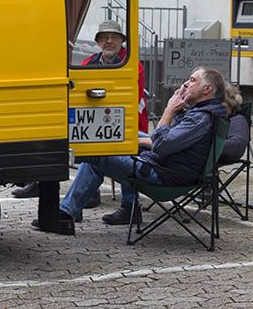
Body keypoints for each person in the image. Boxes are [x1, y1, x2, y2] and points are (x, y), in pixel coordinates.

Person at [45, 67, 228, 231]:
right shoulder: (202, 113)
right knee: (127, 135)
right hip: (165, 165)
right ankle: (103, 209)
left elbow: (162, 145)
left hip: (163, 175)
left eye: (193, 80)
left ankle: (63, 198)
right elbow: (166, 142)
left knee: (97, 154)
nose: (186, 83)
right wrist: (140, 140)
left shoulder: (199, 118)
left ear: (207, 89)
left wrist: (170, 109)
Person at [13, 20, 148, 202]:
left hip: (125, 122)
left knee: (124, 150)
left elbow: (128, 97)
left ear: (121, 41)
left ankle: (128, 207)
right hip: (94, 119)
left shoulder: (132, 64)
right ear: (98, 42)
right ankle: (66, 187)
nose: (109, 41)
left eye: (114, 37)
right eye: (104, 37)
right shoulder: (88, 62)